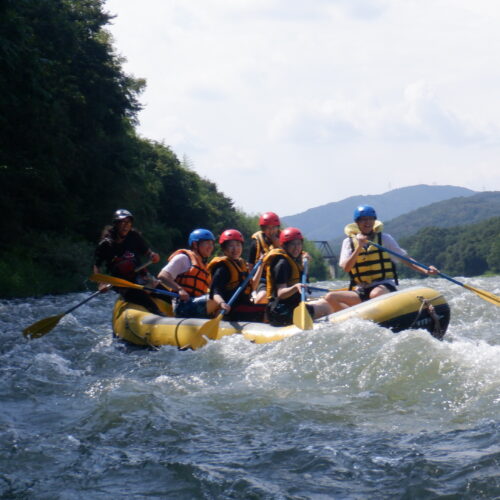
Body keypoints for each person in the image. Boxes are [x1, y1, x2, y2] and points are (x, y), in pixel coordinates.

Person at [326, 205, 439, 312]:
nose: (367, 222)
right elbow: (346, 268)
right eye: (363, 220)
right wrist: (359, 247)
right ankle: (355, 321)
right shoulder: (348, 242)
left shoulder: (385, 239)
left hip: (384, 285)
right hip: (361, 289)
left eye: (370, 219)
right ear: (357, 223)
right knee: (331, 297)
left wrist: (425, 270)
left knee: (375, 294)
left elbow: (405, 259)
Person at [263, 227, 340, 326]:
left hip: (289, 307)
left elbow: (304, 283)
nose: (296, 248)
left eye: (299, 243)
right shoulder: (282, 264)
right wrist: (295, 287)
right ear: (284, 246)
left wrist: (305, 267)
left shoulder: (294, 260)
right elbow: (281, 293)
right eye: (292, 244)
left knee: (323, 302)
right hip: (281, 312)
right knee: (326, 307)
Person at [93, 208, 161, 313]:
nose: (126, 225)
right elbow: (96, 265)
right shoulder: (106, 244)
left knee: (164, 291)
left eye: (128, 222)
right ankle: (159, 315)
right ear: (116, 224)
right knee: (144, 299)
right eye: (122, 222)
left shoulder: (134, 236)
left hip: (140, 277)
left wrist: (153, 255)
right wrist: (101, 283)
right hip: (123, 284)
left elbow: (147, 252)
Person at [157, 228, 218, 318]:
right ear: (195, 244)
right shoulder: (183, 258)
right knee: (215, 299)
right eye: (207, 243)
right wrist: (180, 289)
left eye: (212, 244)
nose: (211, 247)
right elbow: (162, 276)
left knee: (220, 298)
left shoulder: (205, 266)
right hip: (183, 306)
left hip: (197, 302)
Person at [208, 229, 266, 322]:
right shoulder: (222, 268)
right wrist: (222, 303)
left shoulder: (241, 264)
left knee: (269, 307)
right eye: (231, 246)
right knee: (268, 311)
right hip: (231, 309)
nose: (235, 249)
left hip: (244, 306)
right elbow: (215, 293)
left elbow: (252, 287)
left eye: (238, 245)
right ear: (224, 248)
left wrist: (261, 266)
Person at [248, 211, 281, 303]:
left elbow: (295, 254)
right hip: (262, 280)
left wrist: (278, 246)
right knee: (262, 297)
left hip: (282, 279)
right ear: (263, 229)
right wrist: (251, 286)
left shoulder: (285, 241)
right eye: (268, 228)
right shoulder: (256, 243)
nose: (271, 231)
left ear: (278, 228)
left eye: (274, 227)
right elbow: (250, 266)